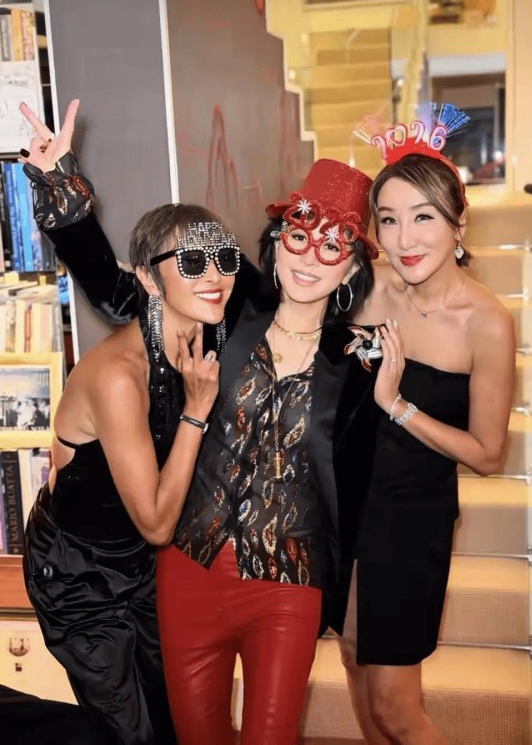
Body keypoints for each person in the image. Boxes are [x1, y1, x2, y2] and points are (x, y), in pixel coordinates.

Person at [18, 100, 380, 745]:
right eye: (299, 235)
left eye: (333, 246)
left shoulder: (361, 362)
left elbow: (369, 478)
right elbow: (128, 291)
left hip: (280, 574)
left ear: (352, 267)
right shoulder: (227, 318)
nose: (310, 256)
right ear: (276, 243)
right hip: (166, 561)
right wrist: (62, 191)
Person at [20, 104, 239, 744]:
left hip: (143, 567)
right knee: (132, 734)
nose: (214, 276)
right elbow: (156, 522)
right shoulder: (119, 375)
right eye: (191, 263)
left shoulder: (210, 331)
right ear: (150, 278)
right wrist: (197, 410)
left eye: (223, 258)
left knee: (177, 719)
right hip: (79, 574)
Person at [333, 118, 516, 745]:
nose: (404, 238)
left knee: (395, 707)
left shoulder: (485, 322)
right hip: (344, 503)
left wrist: (397, 405)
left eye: (423, 217)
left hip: (411, 520)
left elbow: (488, 454)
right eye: (388, 219)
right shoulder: (369, 288)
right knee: (351, 659)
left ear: (458, 224)